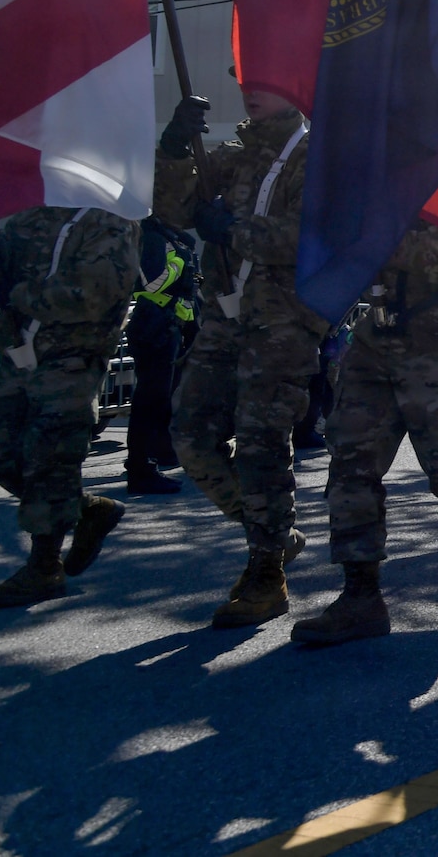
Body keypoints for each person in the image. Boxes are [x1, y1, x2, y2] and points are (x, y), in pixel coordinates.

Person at [290, 191, 438, 646]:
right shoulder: (370, 172)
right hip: (375, 338)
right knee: (351, 466)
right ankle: (360, 598)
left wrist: (376, 239)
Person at [155, 84, 330, 627]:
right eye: (245, 83)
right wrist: (176, 151)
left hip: (281, 323)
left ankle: (265, 569)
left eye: (265, 84)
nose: (251, 93)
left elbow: (314, 234)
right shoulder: (231, 155)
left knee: (260, 443)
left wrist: (235, 229)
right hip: (223, 320)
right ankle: (273, 532)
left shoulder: (316, 155)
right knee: (190, 435)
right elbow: (174, 209)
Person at [0, 208, 141, 607]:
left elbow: (92, 295)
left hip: (73, 355)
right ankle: (87, 509)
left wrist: (20, 293)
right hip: (20, 351)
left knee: (50, 455)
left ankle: (43, 567)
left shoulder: (110, 220)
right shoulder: (26, 220)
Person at [123, 215, 197, 494]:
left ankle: (162, 452)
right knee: (150, 400)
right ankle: (141, 467)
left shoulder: (172, 238)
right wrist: (179, 263)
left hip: (171, 326)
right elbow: (149, 283)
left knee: (165, 398)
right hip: (153, 325)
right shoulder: (153, 237)